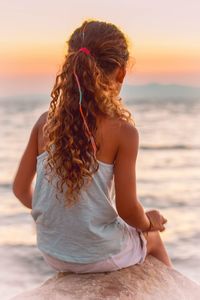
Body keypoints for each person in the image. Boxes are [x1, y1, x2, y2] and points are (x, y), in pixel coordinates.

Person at [12, 20, 173, 273]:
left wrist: (63, 218)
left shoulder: (44, 122)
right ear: (121, 72)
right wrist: (149, 222)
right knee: (152, 240)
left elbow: (20, 189)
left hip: (52, 251)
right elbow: (128, 210)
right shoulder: (124, 132)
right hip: (98, 255)